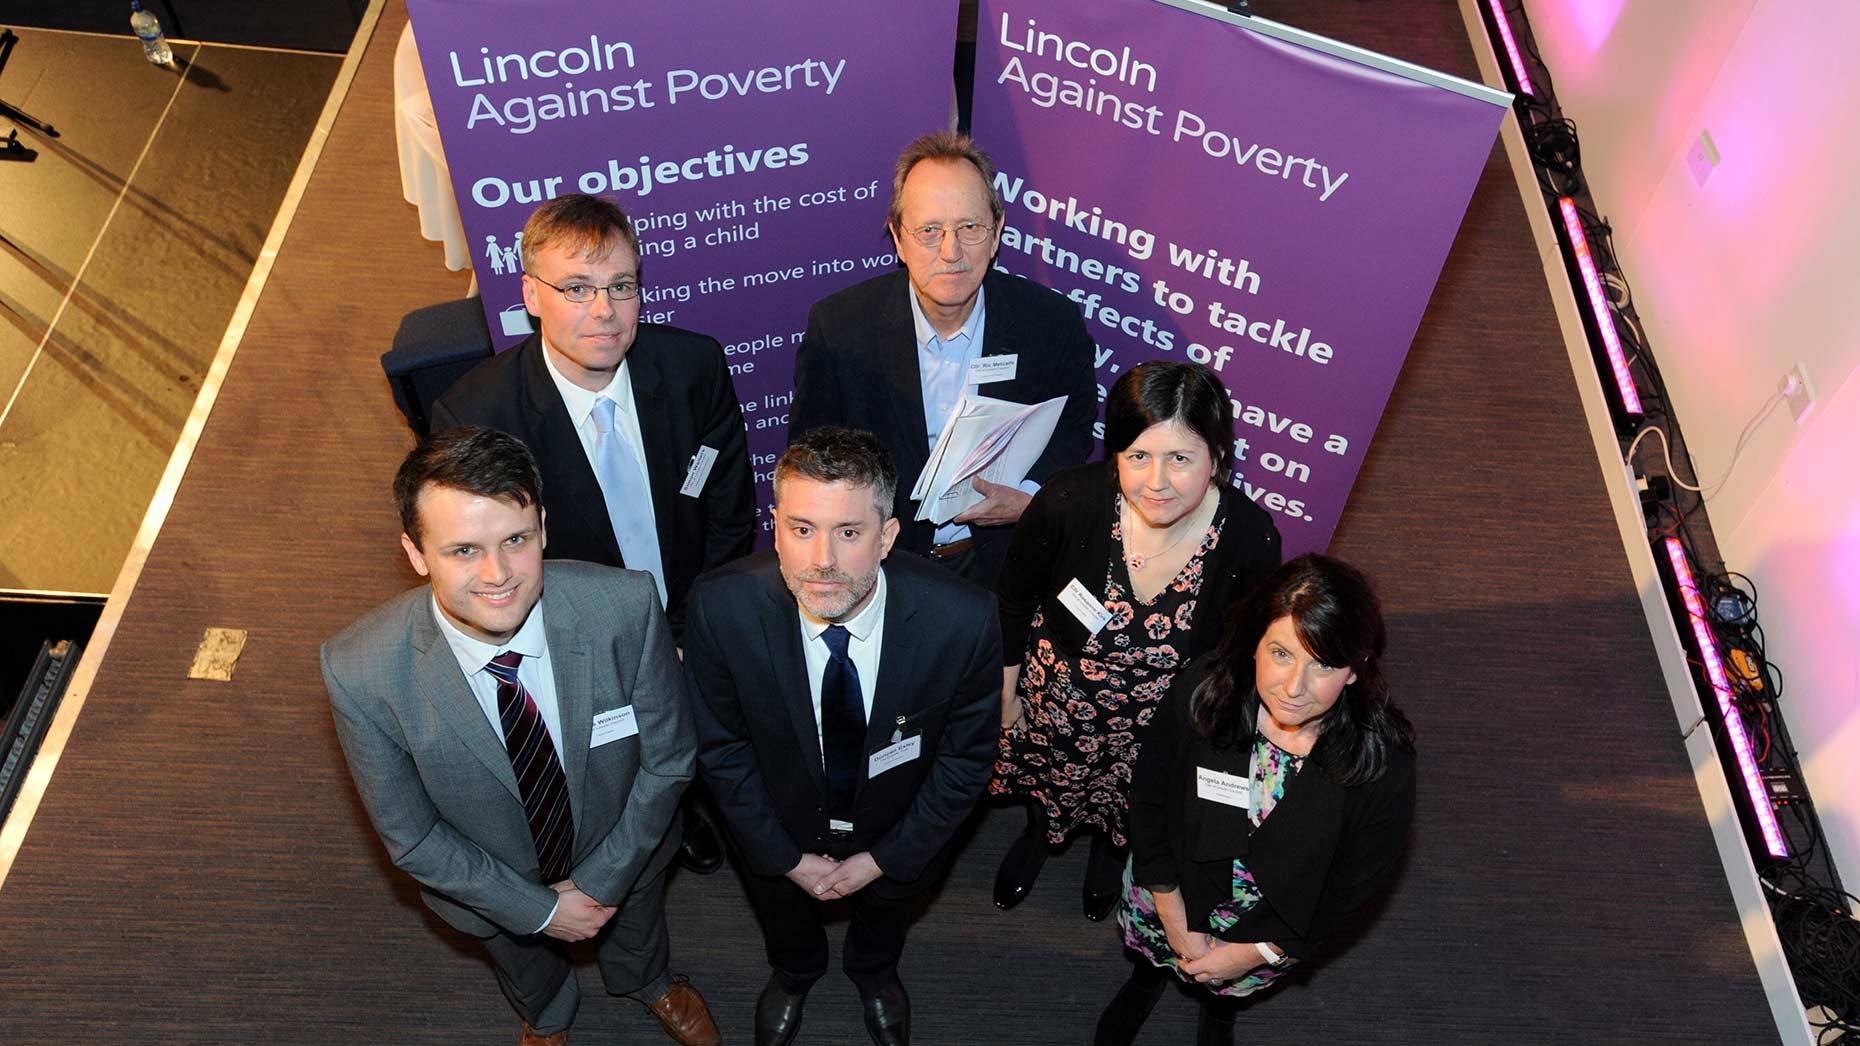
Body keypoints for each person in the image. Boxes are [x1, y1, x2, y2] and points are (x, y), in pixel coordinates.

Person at [321, 428, 720, 1046]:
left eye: (516, 539)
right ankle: (548, 1018)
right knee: (526, 967)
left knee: (639, 927)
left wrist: (601, 880)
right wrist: (540, 911)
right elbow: (413, 838)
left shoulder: (625, 605)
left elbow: (668, 762)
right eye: (462, 551)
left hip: (626, 850)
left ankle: (648, 983)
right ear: (415, 553)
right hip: (491, 888)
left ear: (543, 528)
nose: (498, 574)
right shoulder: (360, 668)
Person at [433, 193, 753, 874]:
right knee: (617, 762)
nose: (604, 311)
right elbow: (501, 573)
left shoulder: (694, 366)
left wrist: (694, 632)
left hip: (690, 609)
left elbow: (728, 507)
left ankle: (694, 798)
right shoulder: (479, 415)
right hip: (576, 632)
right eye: (576, 289)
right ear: (531, 295)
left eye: (621, 287)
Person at [682, 427, 1003, 1046]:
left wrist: (886, 859)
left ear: (886, 537)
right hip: (777, 832)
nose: (821, 559)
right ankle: (795, 972)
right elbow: (721, 751)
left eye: (848, 533)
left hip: (901, 833)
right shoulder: (721, 608)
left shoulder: (962, 619)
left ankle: (874, 972)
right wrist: (781, 857)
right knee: (784, 920)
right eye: (801, 529)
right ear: (774, 527)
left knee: (886, 917)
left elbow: (966, 762)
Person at [990, 361, 1281, 921]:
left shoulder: (1249, 539)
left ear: (1217, 459)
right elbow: (1012, 600)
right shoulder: (1069, 502)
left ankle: (1108, 858)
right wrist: (1006, 695)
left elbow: (1242, 655)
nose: (1157, 481)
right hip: (1058, 700)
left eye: (1180, 459)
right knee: (1045, 785)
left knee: (1131, 807)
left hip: (1162, 720)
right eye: (1138, 456)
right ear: (1115, 453)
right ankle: (1036, 841)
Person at [1096, 554, 1417, 1046]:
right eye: (1281, 653)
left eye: (1324, 665)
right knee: (1152, 954)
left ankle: (1220, 1012)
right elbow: (1149, 798)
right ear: (1254, 646)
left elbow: (1352, 889)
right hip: (1170, 886)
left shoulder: (1382, 763)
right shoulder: (1204, 692)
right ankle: (1144, 981)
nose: (1294, 688)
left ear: (1356, 669)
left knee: (1225, 990)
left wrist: (1256, 953)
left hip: (1268, 925)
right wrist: (1171, 910)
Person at [788, 131, 1097, 589]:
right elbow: (814, 455)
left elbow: (1071, 428)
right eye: (929, 231)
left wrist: (1028, 497)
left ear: (996, 233)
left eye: (969, 228)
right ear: (897, 237)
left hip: (1002, 564)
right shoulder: (840, 330)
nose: (951, 252)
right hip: (882, 569)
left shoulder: (1050, 324)